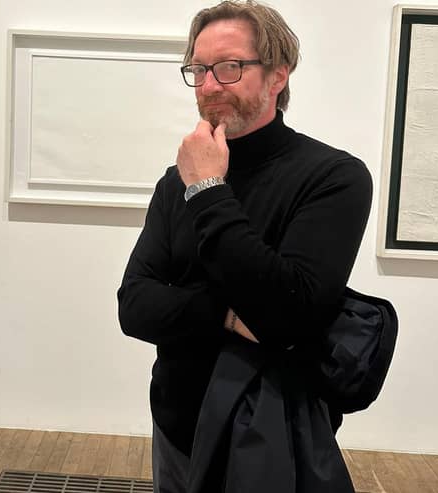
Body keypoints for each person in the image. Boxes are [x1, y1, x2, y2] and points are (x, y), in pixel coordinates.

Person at [117, 0, 372, 491]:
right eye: (199, 69)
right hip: (175, 427)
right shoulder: (177, 183)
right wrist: (229, 316)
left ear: (279, 74)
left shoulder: (333, 176)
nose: (209, 85)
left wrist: (209, 190)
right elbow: (134, 306)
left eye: (230, 67)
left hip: (271, 432)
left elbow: (290, 312)